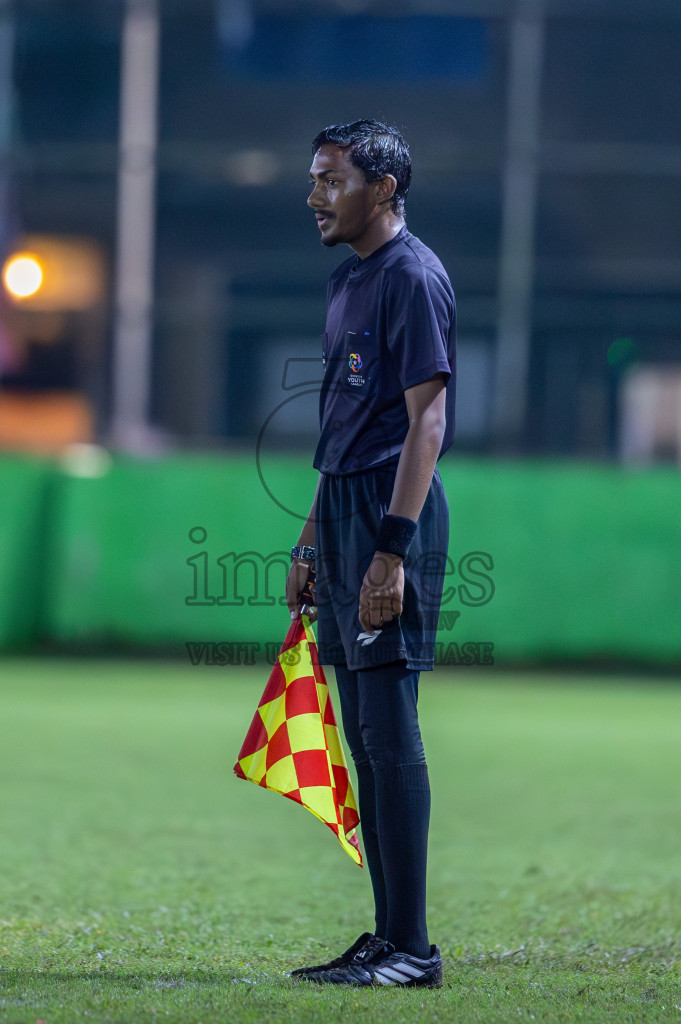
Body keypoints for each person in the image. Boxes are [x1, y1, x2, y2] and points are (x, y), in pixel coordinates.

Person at [285, 119, 456, 989]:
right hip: (346, 506)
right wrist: (313, 538)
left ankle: (413, 950)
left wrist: (389, 553)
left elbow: (426, 420)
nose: (315, 195)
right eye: (313, 180)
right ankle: (386, 937)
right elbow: (338, 425)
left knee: (390, 736)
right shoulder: (347, 281)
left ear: (383, 188)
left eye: (330, 180)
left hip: (394, 510)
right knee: (362, 737)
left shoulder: (413, 277)